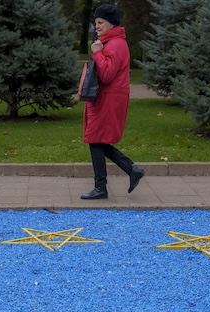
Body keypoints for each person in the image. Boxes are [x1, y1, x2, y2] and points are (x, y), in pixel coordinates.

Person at [80, 4, 144, 200]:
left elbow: (106, 74)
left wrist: (97, 52)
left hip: (108, 99)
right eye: (96, 22)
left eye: (101, 22)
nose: (97, 26)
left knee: (95, 140)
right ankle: (131, 169)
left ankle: (101, 188)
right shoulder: (111, 42)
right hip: (106, 98)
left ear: (111, 23)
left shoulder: (115, 44)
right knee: (97, 140)